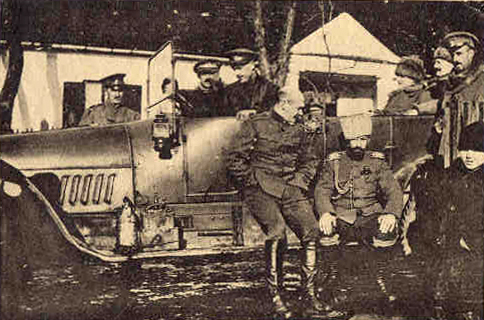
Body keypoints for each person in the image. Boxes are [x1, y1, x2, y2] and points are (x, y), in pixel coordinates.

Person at [226, 87, 338, 319]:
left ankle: (309, 297)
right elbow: (234, 158)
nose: (300, 113)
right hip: (260, 188)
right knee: (277, 232)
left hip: (289, 187)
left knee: (311, 231)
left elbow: (310, 160)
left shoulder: (299, 129)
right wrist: (252, 181)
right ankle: (275, 297)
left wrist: (298, 183)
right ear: (284, 103)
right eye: (297, 108)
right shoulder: (256, 124)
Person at [314, 114, 404, 314]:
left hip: (370, 214)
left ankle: (382, 281)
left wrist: (391, 214)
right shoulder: (334, 162)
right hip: (342, 215)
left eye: (362, 139)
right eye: (353, 140)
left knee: (386, 231)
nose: (357, 144)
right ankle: (335, 282)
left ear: (368, 140)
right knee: (327, 232)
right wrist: (326, 213)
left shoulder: (377, 162)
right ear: (346, 140)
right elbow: (322, 191)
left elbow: (393, 190)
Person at [427, 122, 484, 320]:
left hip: (476, 243)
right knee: (443, 292)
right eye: (465, 148)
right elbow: (437, 208)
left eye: (477, 149)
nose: (469, 154)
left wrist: (471, 239)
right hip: (451, 241)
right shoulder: (452, 174)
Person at [436, 31, 484, 168]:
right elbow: (442, 105)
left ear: (472, 53)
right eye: (452, 55)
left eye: (459, 54)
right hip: (451, 152)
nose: (455, 59)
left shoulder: (481, 79)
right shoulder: (450, 82)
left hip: (476, 154)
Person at [223, 48, 279, 119]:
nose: (237, 73)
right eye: (234, 69)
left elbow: (275, 113)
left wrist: (255, 112)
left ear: (253, 65)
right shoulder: (229, 91)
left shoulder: (270, 89)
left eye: (240, 68)